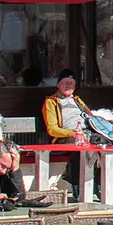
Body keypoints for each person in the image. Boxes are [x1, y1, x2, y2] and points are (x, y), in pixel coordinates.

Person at [42, 71, 92, 200]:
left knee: (107, 144)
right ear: (58, 85)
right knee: (79, 146)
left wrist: (110, 123)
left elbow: (92, 117)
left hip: (86, 133)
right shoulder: (51, 102)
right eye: (65, 83)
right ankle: (77, 185)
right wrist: (72, 133)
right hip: (65, 137)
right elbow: (52, 129)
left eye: (71, 83)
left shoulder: (77, 100)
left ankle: (95, 182)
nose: (68, 86)